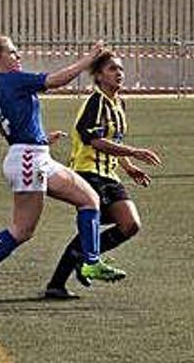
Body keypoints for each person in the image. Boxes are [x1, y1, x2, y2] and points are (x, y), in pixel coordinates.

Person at [0, 37, 127, 307]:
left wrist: (40, 139)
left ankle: (90, 262)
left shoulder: (2, 85)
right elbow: (57, 80)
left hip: (34, 155)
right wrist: (89, 59)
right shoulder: (11, 79)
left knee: (89, 199)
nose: (18, 55)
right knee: (22, 230)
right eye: (12, 52)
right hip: (28, 160)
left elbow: (10, 129)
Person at [44, 50, 162, 300]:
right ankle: (79, 266)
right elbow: (94, 140)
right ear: (98, 76)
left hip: (110, 174)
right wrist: (134, 152)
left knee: (129, 225)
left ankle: (75, 268)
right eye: (112, 69)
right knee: (105, 225)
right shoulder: (96, 102)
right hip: (88, 173)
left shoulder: (119, 103)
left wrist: (128, 167)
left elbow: (113, 140)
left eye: (120, 69)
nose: (119, 73)